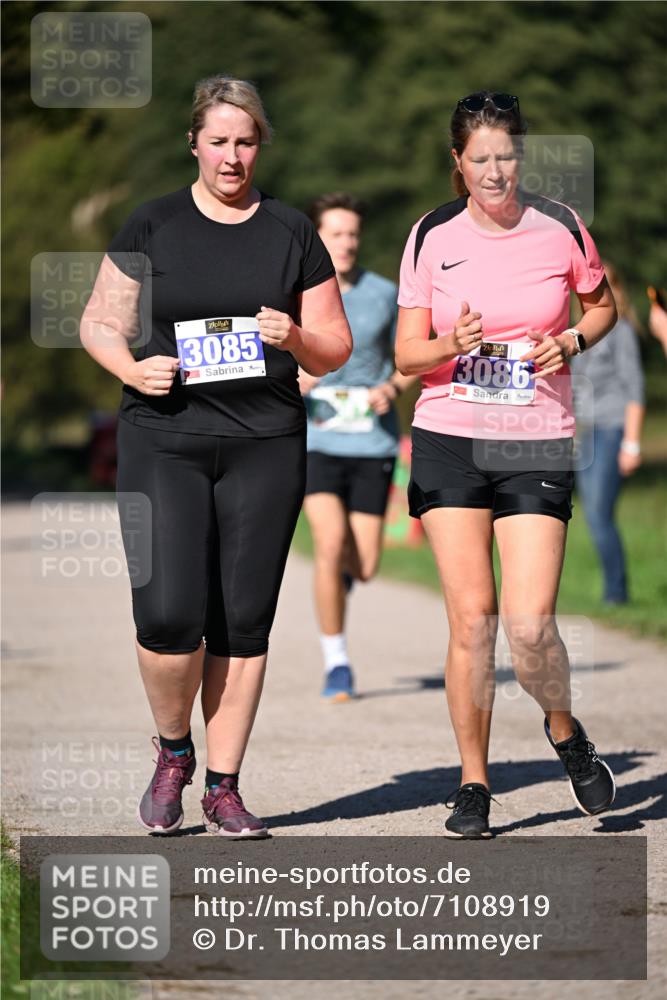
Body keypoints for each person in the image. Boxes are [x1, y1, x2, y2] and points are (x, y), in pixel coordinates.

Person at [80, 76, 351, 838]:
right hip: (163, 439)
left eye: (246, 141)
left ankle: (224, 787)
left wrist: (294, 337)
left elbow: (334, 347)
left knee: (242, 620)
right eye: (219, 141)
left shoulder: (292, 232)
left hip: (264, 443)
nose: (232, 156)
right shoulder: (153, 223)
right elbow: (101, 321)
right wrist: (131, 369)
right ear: (194, 143)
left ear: (260, 145)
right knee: (168, 616)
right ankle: (173, 752)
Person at [395, 91, 618, 838]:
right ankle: (473, 784)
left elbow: (602, 307)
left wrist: (573, 344)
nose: (495, 171)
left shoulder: (560, 226)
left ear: (520, 156)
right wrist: (449, 344)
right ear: (457, 163)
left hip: (534, 437)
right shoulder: (429, 234)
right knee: (472, 622)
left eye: (506, 155)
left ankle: (562, 728)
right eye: (479, 158)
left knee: (526, 626)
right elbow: (405, 354)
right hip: (450, 434)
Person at [299, 193, 415, 701]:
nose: (346, 243)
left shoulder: (385, 292)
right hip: (315, 441)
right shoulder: (294, 293)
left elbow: (411, 356)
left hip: (372, 442)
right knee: (328, 545)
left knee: (364, 565)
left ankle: (339, 582)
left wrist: (391, 388)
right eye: (335, 234)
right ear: (317, 238)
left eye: (352, 234)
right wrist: (293, 378)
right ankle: (337, 663)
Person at [571, 263, 645, 604]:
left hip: (611, 429)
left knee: (601, 513)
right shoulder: (576, 334)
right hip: (584, 432)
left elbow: (635, 389)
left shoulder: (622, 331)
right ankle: (612, 591)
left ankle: (617, 594)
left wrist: (631, 444)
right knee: (591, 514)